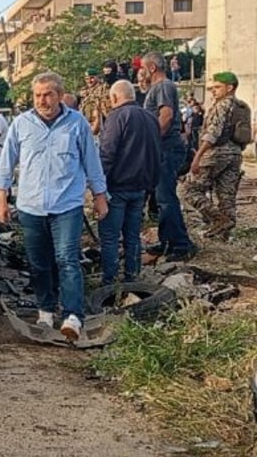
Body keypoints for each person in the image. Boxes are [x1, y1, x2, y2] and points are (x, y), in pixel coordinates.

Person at [0, 71, 108, 341]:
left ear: (59, 95)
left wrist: (100, 196)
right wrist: (1, 199)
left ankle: (72, 316)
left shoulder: (77, 124)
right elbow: (6, 164)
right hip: (31, 206)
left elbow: (92, 162)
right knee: (39, 263)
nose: (42, 100)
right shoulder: (21, 124)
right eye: (38, 95)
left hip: (66, 205)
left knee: (67, 259)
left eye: (48, 94)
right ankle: (45, 310)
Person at [97, 80, 162, 285]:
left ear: (115, 97)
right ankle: (132, 276)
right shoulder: (150, 118)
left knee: (110, 237)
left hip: (118, 187)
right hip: (140, 188)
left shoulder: (117, 117)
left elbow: (107, 153)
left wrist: (98, 186)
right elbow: (157, 152)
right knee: (132, 236)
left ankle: (110, 281)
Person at [142, 51, 195, 261]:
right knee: (162, 198)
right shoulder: (158, 87)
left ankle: (182, 245)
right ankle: (166, 241)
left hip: (166, 148)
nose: (140, 72)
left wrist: (152, 141)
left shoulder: (163, 86)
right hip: (164, 148)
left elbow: (166, 117)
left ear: (152, 68)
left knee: (166, 198)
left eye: (142, 68)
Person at [184, 72, 250, 241]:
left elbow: (213, 134)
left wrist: (197, 157)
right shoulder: (242, 107)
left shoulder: (222, 106)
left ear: (230, 88)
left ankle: (218, 220)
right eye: (212, 88)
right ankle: (224, 236)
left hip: (217, 152)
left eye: (217, 87)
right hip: (235, 154)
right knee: (226, 195)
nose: (213, 91)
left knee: (189, 190)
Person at [79, 68, 111, 135]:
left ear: (98, 77)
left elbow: (107, 110)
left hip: (99, 127)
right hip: (85, 125)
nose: (89, 81)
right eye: (87, 79)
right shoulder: (84, 91)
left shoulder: (104, 89)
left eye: (92, 78)